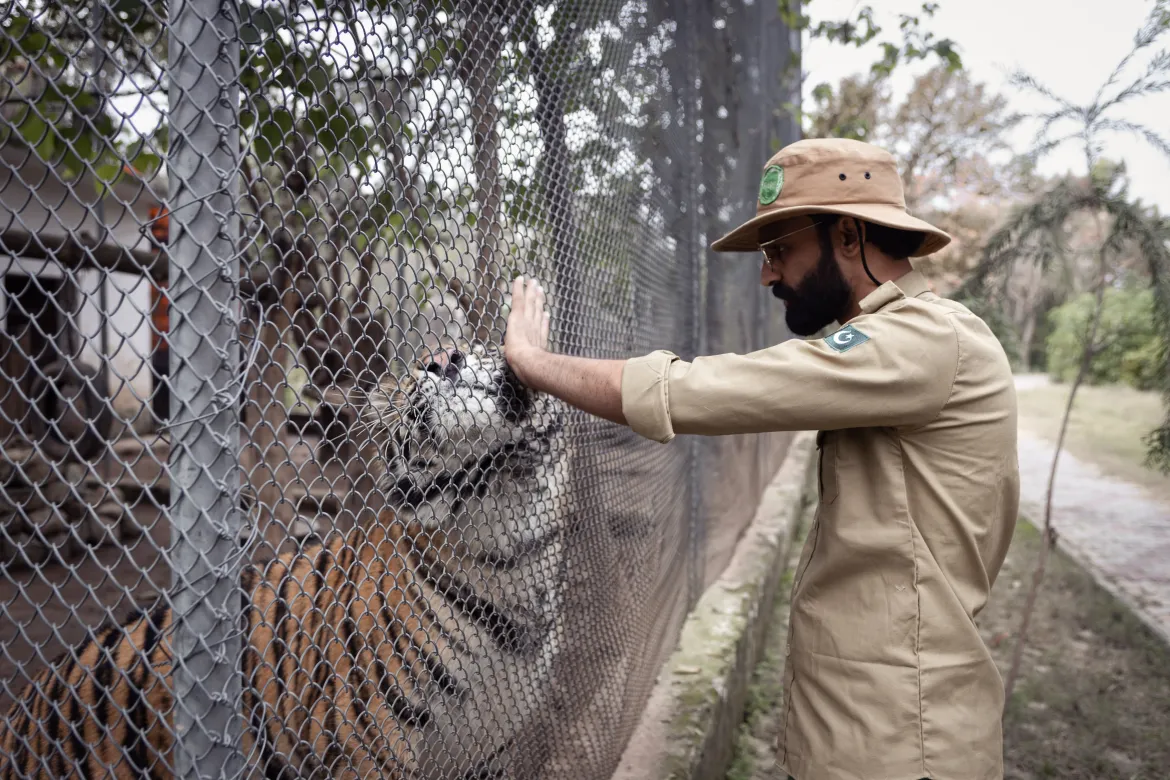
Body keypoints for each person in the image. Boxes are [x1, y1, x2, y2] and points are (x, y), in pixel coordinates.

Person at [503, 137, 1019, 780]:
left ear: (850, 236)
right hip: (873, 719)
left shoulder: (925, 339)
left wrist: (533, 364)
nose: (768, 274)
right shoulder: (904, 342)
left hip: (901, 739)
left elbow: (697, 392)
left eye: (779, 250)